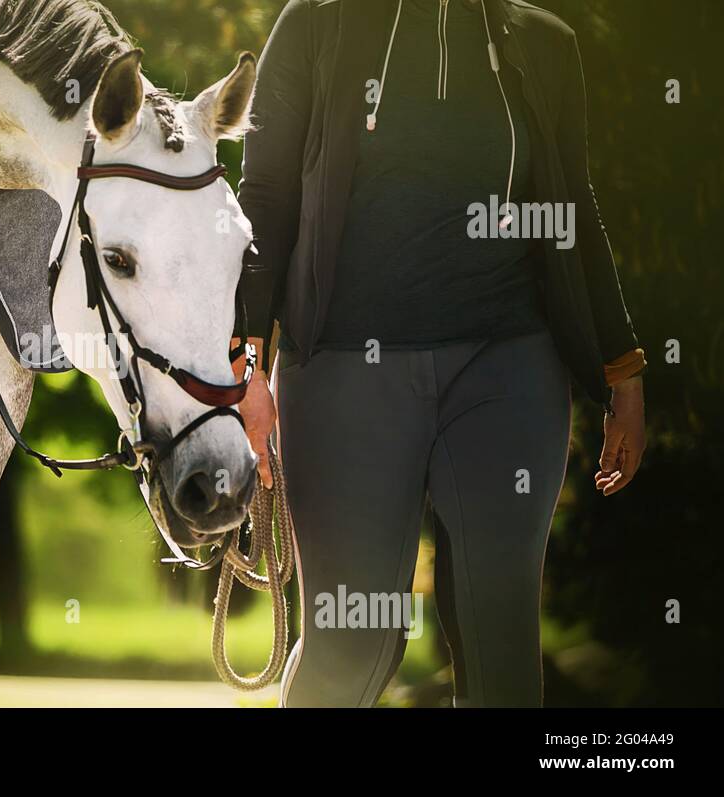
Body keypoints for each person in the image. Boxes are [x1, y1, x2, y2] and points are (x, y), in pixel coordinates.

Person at [233, 0, 646, 707]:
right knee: (352, 642)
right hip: (340, 372)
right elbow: (263, 197)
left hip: (508, 369)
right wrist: (244, 364)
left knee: (502, 645)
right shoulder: (315, 24)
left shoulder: (543, 43)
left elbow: (575, 204)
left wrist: (622, 368)